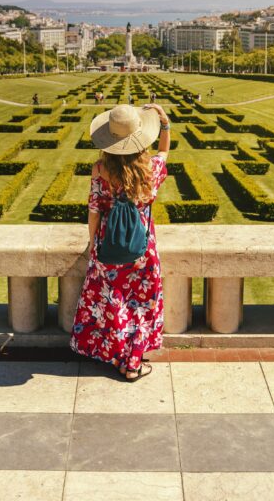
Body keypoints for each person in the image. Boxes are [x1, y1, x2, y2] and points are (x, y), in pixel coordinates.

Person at [70, 102, 171, 381]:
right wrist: (164, 123)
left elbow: (94, 211)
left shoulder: (100, 169)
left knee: (114, 302)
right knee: (141, 304)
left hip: (109, 244)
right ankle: (133, 362)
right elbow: (164, 151)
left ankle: (118, 357)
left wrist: (94, 245)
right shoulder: (150, 169)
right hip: (143, 246)